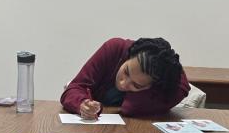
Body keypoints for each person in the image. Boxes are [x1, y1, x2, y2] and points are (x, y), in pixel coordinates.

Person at [61, 37, 189, 120]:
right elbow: (75, 87)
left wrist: (132, 105)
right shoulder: (114, 49)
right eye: (126, 71)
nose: (123, 84)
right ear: (129, 56)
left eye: (136, 85)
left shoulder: (167, 79)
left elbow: (182, 87)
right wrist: (82, 103)